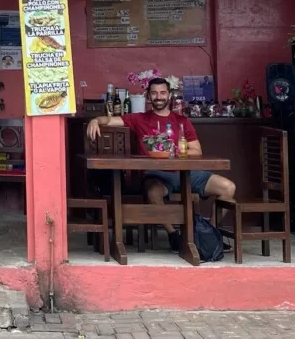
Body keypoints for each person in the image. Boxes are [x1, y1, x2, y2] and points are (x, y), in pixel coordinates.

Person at [86, 77, 236, 251]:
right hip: (157, 174)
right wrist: (95, 120)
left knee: (228, 188)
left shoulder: (182, 121)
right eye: (154, 93)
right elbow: (109, 120)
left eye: (163, 93)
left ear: (169, 95)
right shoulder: (139, 119)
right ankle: (174, 235)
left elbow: (197, 151)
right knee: (152, 192)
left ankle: (208, 233)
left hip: (188, 172)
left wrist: (175, 151)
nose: (159, 97)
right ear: (148, 96)